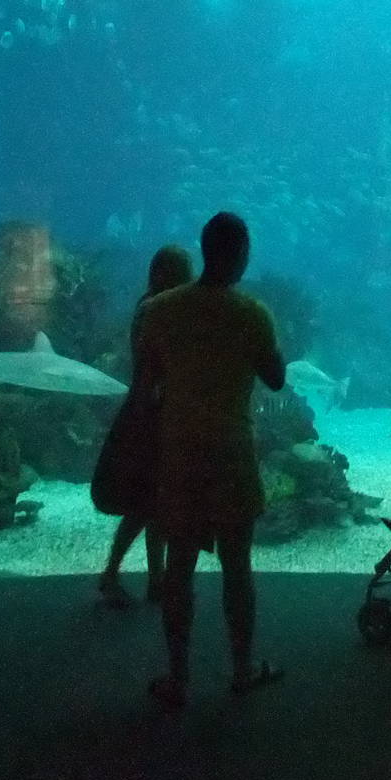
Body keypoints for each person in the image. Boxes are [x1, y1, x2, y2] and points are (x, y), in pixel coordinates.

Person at [131, 212, 287, 707]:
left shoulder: (160, 311)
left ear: (203, 249)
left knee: (178, 567)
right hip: (232, 454)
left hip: (179, 452)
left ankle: (178, 678)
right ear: (241, 254)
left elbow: (144, 385)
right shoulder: (251, 313)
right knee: (238, 566)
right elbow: (277, 378)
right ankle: (241, 669)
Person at [96, 244, 194, 609]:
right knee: (145, 504)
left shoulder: (147, 307)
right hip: (151, 417)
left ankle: (155, 578)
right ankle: (113, 574)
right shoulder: (160, 311)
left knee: (156, 503)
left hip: (146, 413)